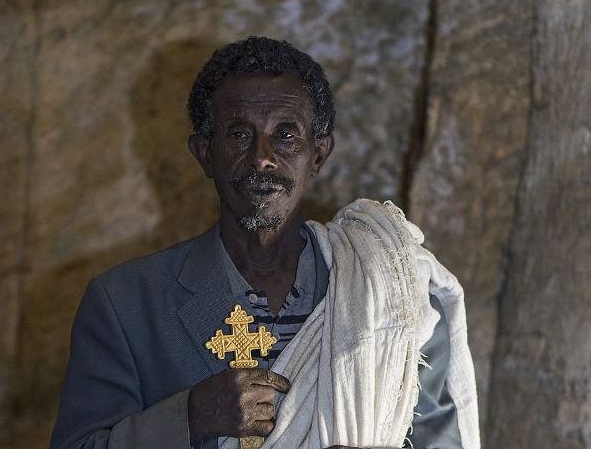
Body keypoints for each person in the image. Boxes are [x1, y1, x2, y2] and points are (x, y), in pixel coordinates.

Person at [51, 36, 478, 449]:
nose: (262, 157)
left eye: (286, 135)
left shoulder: (390, 292)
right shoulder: (125, 303)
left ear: (318, 155)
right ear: (204, 154)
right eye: (239, 134)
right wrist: (191, 417)